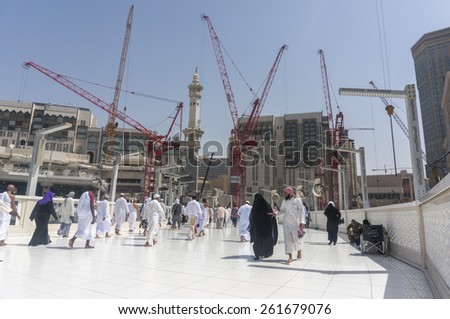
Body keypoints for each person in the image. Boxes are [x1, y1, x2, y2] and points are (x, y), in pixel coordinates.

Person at [277, 187, 306, 263]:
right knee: (288, 240)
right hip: (286, 223)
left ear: (290, 193)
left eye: (285, 193)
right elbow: (282, 210)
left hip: (296, 223)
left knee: (297, 238)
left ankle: (299, 250)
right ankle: (290, 256)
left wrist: (302, 222)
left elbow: (301, 212)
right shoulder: (284, 201)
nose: (284, 194)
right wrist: (275, 214)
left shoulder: (297, 201)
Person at [248, 193, 278, 260]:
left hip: (258, 228)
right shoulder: (266, 205)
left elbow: (252, 217)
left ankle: (257, 255)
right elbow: (271, 215)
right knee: (266, 240)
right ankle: (266, 253)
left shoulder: (255, 206)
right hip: (267, 228)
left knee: (258, 241)